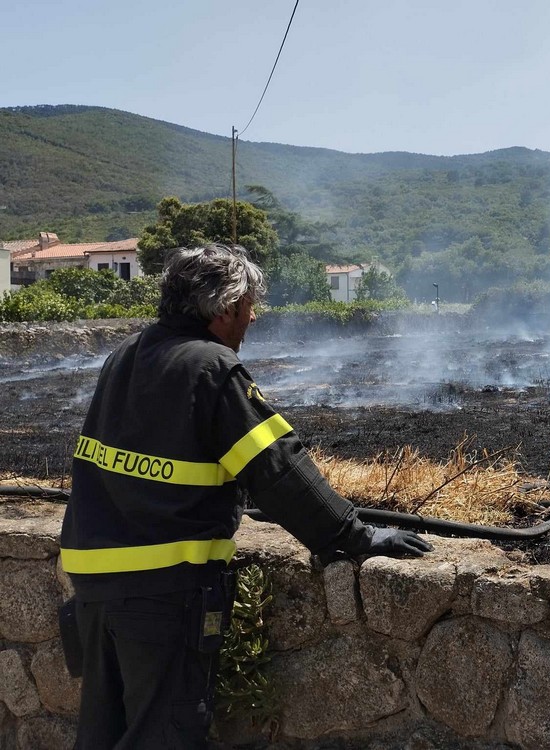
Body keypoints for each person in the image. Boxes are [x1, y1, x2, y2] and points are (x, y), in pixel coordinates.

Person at [60, 243, 433, 749]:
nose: (252, 318)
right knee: (164, 736)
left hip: (93, 587)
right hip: (161, 596)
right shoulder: (212, 368)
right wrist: (354, 534)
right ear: (225, 307)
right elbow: (276, 468)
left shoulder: (127, 354)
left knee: (102, 735)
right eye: (249, 306)